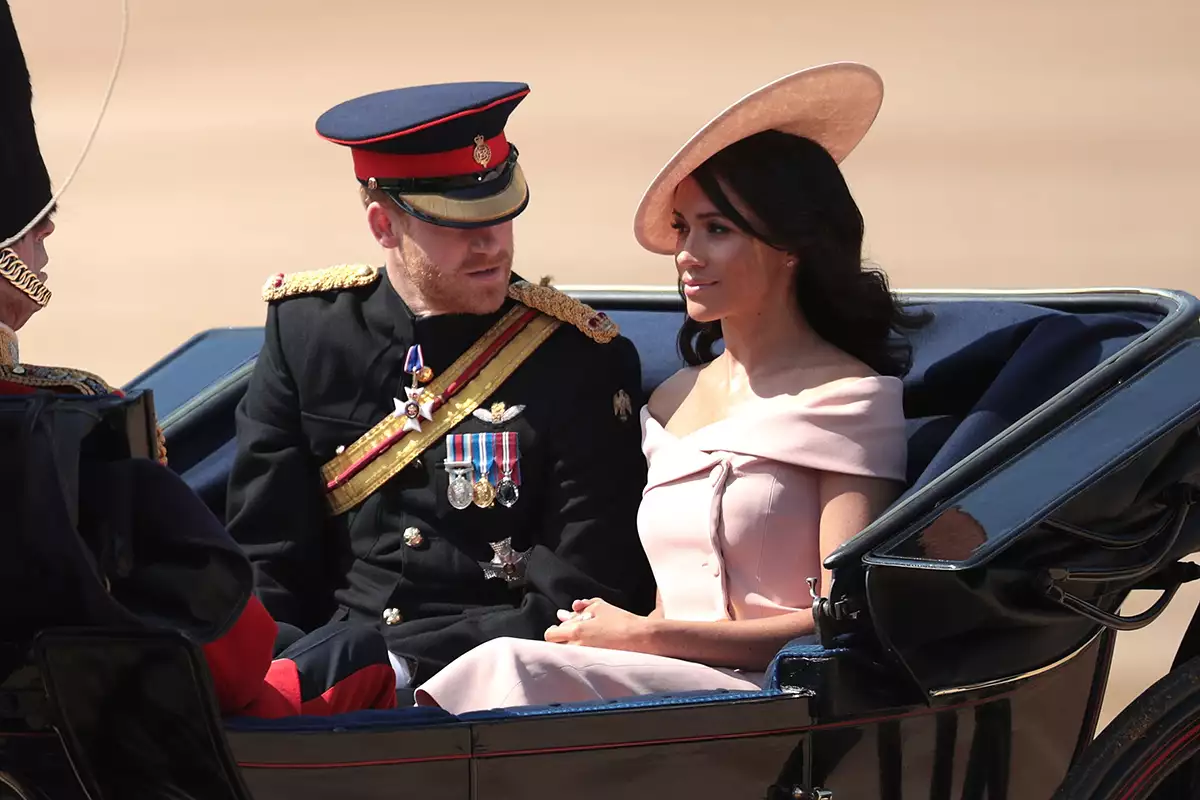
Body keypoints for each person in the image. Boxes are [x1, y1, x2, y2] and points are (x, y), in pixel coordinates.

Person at [413, 62, 929, 713]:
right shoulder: (669, 402)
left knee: (508, 666)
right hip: (669, 690)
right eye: (683, 228)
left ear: (790, 246)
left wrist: (647, 636)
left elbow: (843, 618)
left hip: (775, 695)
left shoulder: (848, 397)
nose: (687, 253)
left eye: (718, 230)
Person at [0, 0, 396, 718]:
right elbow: (228, 652)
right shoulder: (74, 426)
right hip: (116, 738)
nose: (45, 253)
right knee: (353, 656)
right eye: (33, 236)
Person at [225, 80, 657, 692]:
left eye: (502, 214)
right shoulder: (307, 334)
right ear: (383, 225)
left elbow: (584, 594)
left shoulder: (581, 359)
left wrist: (394, 665)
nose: (492, 243)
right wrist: (283, 678)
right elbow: (266, 554)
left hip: (494, 685)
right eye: (458, 223)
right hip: (325, 685)